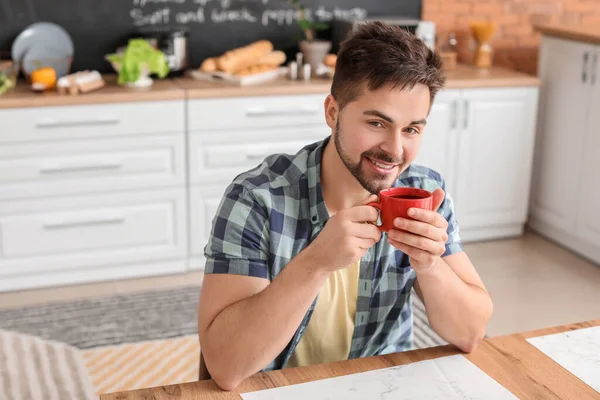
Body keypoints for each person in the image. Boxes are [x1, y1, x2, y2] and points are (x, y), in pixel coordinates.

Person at [198, 21, 493, 391]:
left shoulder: (425, 192)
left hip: (381, 387)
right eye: (376, 122)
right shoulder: (257, 198)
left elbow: (470, 334)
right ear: (333, 112)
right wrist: (315, 262)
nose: (395, 149)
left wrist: (430, 265)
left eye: (412, 129)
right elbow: (225, 366)